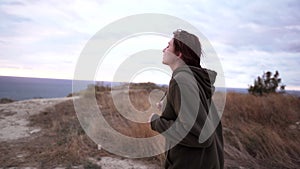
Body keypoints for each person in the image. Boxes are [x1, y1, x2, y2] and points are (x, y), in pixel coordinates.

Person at [148, 29, 224, 169]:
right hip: (203, 161)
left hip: (190, 163)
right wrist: (166, 104)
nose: (163, 49)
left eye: (168, 46)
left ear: (179, 53)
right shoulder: (193, 78)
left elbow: (198, 135)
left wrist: (156, 122)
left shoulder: (182, 80)